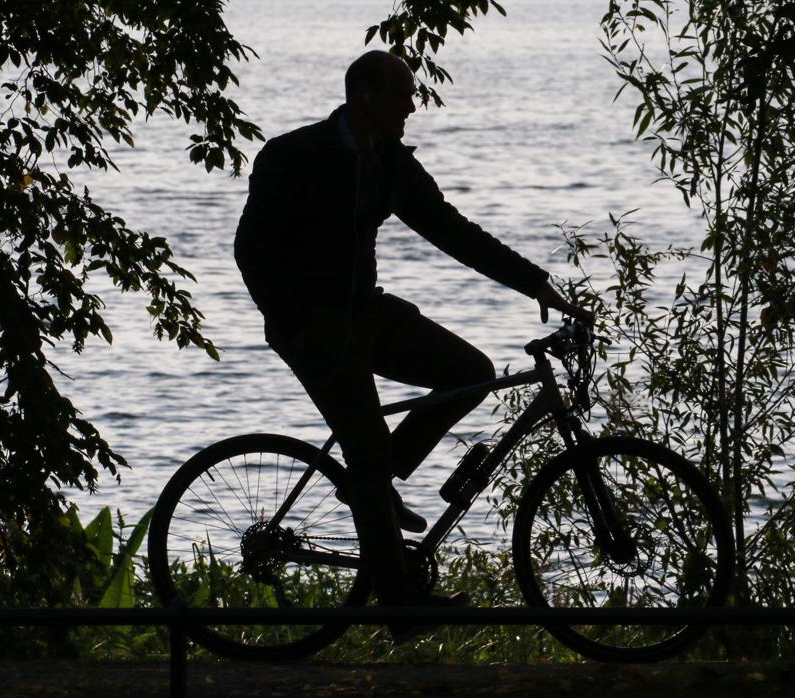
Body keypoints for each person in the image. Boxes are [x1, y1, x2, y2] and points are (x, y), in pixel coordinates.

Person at [234, 50, 589, 608]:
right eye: (403, 94)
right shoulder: (292, 155)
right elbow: (250, 249)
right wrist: (292, 323)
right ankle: (400, 602)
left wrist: (534, 282)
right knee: (368, 457)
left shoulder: (392, 164)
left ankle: (371, 483)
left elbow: (452, 231)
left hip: (365, 312)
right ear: (366, 98)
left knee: (470, 372)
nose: (413, 105)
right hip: (313, 326)